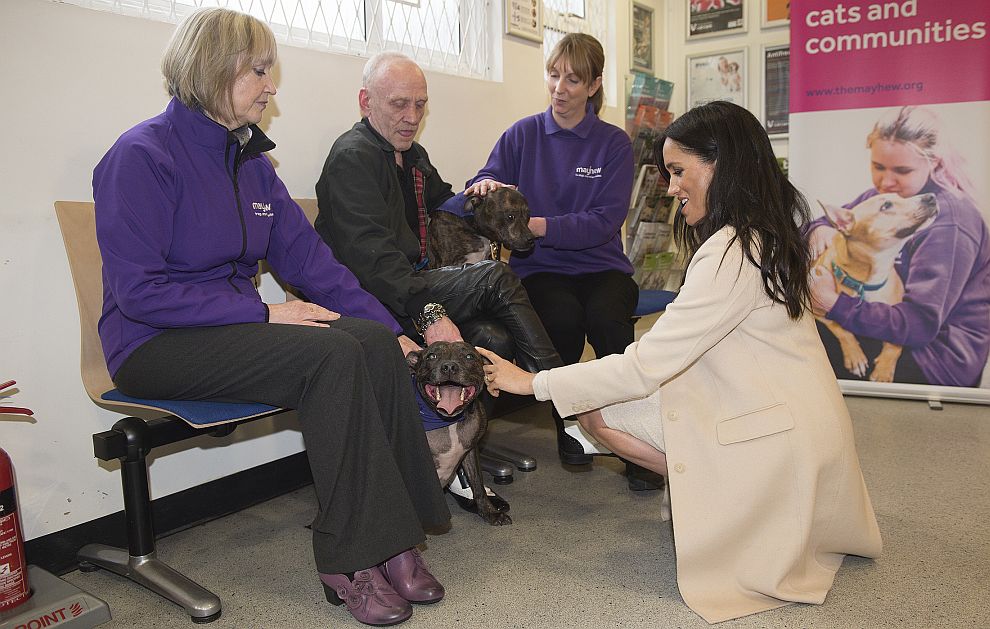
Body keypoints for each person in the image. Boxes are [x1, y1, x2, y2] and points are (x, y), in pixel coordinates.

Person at [93, 9, 450, 626]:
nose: (270, 85)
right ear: (213, 70)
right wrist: (261, 310)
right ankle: (349, 558)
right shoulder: (141, 156)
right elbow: (139, 293)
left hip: (234, 328)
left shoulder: (252, 164)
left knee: (366, 340)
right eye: (259, 71)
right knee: (332, 355)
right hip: (152, 342)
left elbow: (315, 264)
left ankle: (397, 537)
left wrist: (398, 335)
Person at [477, 101, 883, 623]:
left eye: (677, 171)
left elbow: (645, 364)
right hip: (801, 426)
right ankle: (719, 494)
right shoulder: (767, 235)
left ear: (721, 164)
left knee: (597, 413)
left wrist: (531, 382)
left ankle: (725, 502)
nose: (670, 188)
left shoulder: (732, 251)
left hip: (780, 441)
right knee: (612, 400)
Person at [314, 52, 563, 510]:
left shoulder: (410, 155)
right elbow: (374, 262)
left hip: (411, 284)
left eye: (421, 105)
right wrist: (429, 313)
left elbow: (445, 202)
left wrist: (479, 193)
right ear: (366, 101)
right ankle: (565, 398)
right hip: (371, 298)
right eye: (399, 105)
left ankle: (455, 455)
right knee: (494, 275)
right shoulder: (353, 160)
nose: (412, 118)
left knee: (490, 335)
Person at [450, 33, 657, 490]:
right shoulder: (523, 134)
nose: (560, 87)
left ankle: (639, 446)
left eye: (573, 79)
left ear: (594, 84)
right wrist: (485, 184)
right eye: (553, 75)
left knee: (610, 327)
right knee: (560, 322)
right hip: (542, 269)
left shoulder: (613, 145)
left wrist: (532, 225)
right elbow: (485, 176)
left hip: (602, 267)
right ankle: (574, 425)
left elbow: (603, 222)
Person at [807, 105, 990, 387]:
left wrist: (834, 304)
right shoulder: (886, 194)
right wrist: (820, 228)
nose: (886, 181)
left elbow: (919, 325)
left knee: (798, 345)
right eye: (878, 167)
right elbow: (827, 220)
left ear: (935, 163)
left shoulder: (950, 222)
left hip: (935, 359)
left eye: (902, 170)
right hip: (892, 329)